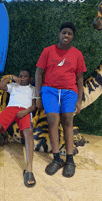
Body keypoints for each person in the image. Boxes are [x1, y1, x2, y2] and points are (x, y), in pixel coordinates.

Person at [35, 22, 87, 178]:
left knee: (68, 121)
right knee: (52, 121)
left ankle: (70, 160)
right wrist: (37, 96)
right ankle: (56, 159)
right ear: (59, 34)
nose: (66, 35)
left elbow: (80, 78)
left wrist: (79, 100)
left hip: (69, 91)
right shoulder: (48, 51)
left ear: (72, 37)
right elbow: (38, 73)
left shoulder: (77, 54)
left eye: (69, 34)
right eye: (64, 32)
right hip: (49, 90)